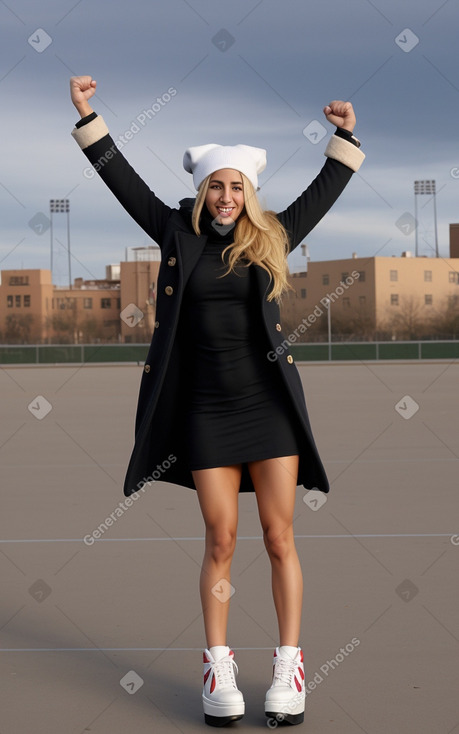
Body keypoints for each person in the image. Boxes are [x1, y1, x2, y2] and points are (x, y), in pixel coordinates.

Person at [70, 75, 364, 727]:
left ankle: (289, 666)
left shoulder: (272, 235)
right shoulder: (175, 232)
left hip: (268, 409)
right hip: (204, 411)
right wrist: (88, 116)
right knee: (221, 539)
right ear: (202, 191)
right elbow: (121, 183)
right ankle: (217, 666)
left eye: (236, 186)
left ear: (247, 193)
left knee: (280, 537)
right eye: (216, 185)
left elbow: (326, 185)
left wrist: (343, 133)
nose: (226, 195)